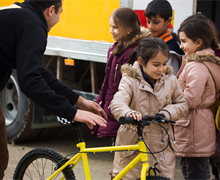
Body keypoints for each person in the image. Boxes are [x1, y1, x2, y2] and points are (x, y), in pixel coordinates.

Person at [0, 0, 107, 179]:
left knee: (1, 157)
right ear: (51, 10)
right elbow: (30, 82)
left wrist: (78, 101)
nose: (59, 18)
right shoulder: (33, 25)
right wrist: (72, 112)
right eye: (61, 13)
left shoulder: (19, 13)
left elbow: (38, 73)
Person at [109, 37, 189, 180]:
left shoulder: (170, 81)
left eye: (165, 64)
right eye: (156, 64)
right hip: (133, 145)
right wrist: (128, 112)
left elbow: (182, 104)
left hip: (162, 146)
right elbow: (117, 102)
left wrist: (167, 113)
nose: (161, 69)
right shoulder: (129, 80)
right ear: (141, 61)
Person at [90, 7, 151, 143]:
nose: (111, 31)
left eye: (115, 27)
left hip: (126, 112)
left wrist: (117, 109)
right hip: (114, 110)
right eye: (110, 26)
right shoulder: (114, 49)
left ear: (129, 29)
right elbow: (107, 82)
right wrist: (99, 104)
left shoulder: (133, 52)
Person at [174, 13, 220, 180]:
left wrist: (169, 100)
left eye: (184, 41)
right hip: (195, 126)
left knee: (195, 172)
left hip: (194, 128)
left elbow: (191, 98)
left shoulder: (196, 66)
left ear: (198, 42)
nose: (181, 45)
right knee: (193, 169)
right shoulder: (205, 61)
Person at [144, 0, 184, 75]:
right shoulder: (149, 41)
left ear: (168, 21)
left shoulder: (171, 50)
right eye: (148, 21)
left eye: (156, 22)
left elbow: (170, 79)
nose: (150, 27)